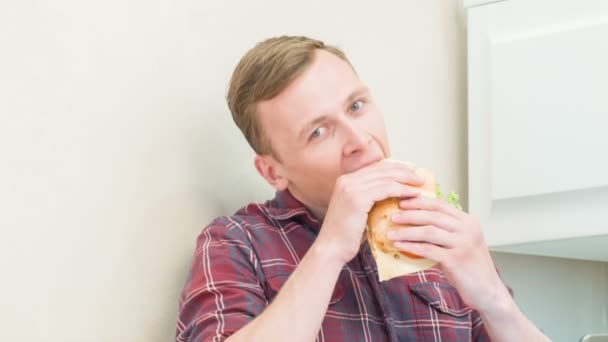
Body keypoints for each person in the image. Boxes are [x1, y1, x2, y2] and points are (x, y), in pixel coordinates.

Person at [176, 36, 549, 342]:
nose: (360, 139)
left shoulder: (440, 232)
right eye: (318, 132)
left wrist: (495, 300)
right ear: (273, 172)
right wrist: (331, 248)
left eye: (356, 106)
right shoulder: (236, 242)